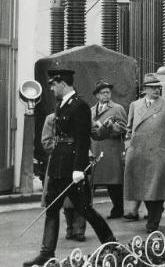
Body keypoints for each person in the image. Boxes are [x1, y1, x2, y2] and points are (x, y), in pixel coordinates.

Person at [24, 69, 115, 267]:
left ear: (62, 83)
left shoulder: (79, 106)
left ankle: (111, 245)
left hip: (72, 166)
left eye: (53, 84)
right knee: (51, 207)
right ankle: (46, 253)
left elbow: (82, 140)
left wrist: (78, 169)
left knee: (84, 209)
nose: (51, 88)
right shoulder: (62, 105)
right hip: (58, 165)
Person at [124, 73, 165, 233]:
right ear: (145, 89)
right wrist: (127, 146)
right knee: (143, 188)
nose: (156, 90)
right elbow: (129, 129)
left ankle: (153, 222)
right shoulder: (135, 106)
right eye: (152, 88)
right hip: (138, 153)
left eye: (158, 88)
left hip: (159, 154)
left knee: (155, 189)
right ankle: (155, 213)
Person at [40, 112, 87, 242]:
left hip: (77, 159)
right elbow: (46, 141)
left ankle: (79, 230)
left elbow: (87, 137)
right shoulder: (51, 118)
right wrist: (60, 151)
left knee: (80, 193)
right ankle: (70, 228)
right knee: (63, 196)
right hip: (58, 162)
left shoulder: (80, 117)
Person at [90, 80, 127, 219]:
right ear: (97, 95)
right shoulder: (92, 110)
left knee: (114, 182)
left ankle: (118, 209)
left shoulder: (118, 109)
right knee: (91, 181)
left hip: (112, 149)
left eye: (108, 92)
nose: (106, 95)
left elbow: (124, 128)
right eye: (103, 93)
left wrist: (109, 127)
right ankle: (88, 210)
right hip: (95, 149)